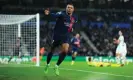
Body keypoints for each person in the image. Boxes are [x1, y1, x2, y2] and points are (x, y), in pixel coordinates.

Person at [44, 3, 78, 75]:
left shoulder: (75, 18)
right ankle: (47, 65)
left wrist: (72, 29)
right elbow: (55, 15)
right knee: (51, 51)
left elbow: (72, 24)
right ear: (66, 8)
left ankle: (56, 66)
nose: (69, 9)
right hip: (57, 35)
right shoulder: (61, 14)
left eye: (71, 8)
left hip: (66, 36)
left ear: (73, 9)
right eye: (68, 7)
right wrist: (49, 13)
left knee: (65, 50)